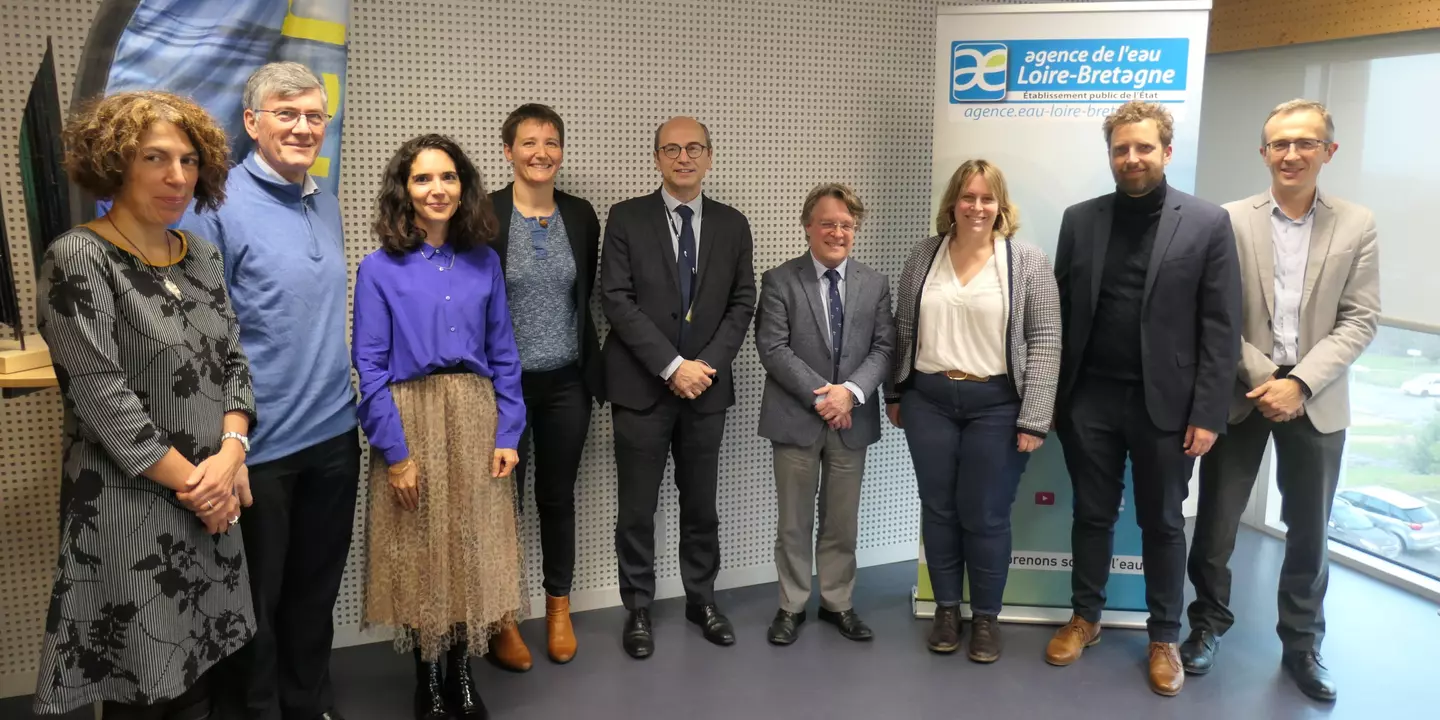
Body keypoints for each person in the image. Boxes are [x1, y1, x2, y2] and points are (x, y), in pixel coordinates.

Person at [32, 90, 256, 718]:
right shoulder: (78, 258)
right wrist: (205, 488)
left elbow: (235, 364)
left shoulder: (202, 257)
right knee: (143, 685)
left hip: (211, 496)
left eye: (188, 160)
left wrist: (232, 454)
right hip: (132, 510)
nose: (177, 176)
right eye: (155, 157)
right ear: (116, 163)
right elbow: (105, 400)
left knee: (202, 679)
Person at [178, 62, 359, 720]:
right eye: (286, 113)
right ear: (252, 123)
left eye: (315, 115)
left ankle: (309, 707)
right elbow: (201, 341)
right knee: (252, 612)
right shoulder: (214, 207)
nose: (303, 126)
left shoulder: (326, 201)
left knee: (314, 600)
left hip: (335, 439)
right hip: (258, 451)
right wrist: (229, 446)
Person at [1183, 99, 1380, 702]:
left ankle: (1302, 645)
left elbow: (1361, 318)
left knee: (1309, 531)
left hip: (1317, 399)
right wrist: (1268, 375)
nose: (1292, 154)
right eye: (1279, 144)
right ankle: (1207, 627)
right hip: (1242, 390)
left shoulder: (1358, 223)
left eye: (1305, 143)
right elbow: (1212, 313)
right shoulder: (1228, 220)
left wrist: (1299, 383)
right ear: (1264, 152)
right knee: (1216, 523)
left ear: (1328, 150)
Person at [1045, 100, 1241, 697]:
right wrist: (1055, 401)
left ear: (1167, 152)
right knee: (1092, 514)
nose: (1131, 158)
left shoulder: (1206, 222)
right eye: (1121, 149)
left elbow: (1220, 326)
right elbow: (1060, 314)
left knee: (1161, 523)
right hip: (1090, 402)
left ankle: (1163, 635)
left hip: (1170, 409)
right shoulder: (1080, 219)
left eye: (1143, 148)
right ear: (1110, 155)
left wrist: (1208, 412)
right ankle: (1087, 618)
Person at [353, 134, 524, 720]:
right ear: (404, 190)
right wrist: (396, 453)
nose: (437, 189)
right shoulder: (378, 268)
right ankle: (426, 677)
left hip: (476, 416)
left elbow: (504, 354)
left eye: (448, 177)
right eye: (423, 178)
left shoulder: (484, 261)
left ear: (464, 187)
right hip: (411, 418)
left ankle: (462, 671)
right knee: (420, 548)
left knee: (470, 547)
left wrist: (508, 433)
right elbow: (370, 367)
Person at [887, 160, 1061, 662]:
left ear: (1001, 206)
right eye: (968, 197)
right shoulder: (925, 254)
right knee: (939, 510)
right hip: (929, 400)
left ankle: (985, 617)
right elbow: (903, 329)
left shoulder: (1026, 260)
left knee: (985, 514)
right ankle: (946, 609)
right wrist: (896, 394)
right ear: (953, 203)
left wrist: (1035, 416)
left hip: (998, 406)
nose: (977, 207)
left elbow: (1047, 340)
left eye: (987, 198)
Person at [601, 116, 756, 659]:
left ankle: (701, 598)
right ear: (657, 158)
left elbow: (743, 303)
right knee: (636, 509)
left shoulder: (734, 225)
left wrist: (704, 365)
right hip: (641, 387)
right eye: (672, 148)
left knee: (702, 505)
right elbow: (615, 299)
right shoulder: (625, 218)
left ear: (709, 157)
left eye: (694, 148)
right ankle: (638, 606)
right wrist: (672, 366)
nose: (683, 157)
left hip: (706, 391)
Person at [487, 103, 603, 668]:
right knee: (501, 506)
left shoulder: (580, 216)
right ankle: (504, 617)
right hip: (501, 391)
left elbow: (585, 301)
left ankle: (559, 608)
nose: (541, 152)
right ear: (507, 150)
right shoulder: (483, 216)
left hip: (566, 386)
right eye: (528, 142)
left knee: (557, 499)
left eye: (551, 142)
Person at [756, 183, 895, 646]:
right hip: (797, 419)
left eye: (847, 225)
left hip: (850, 420)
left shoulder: (875, 284)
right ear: (808, 226)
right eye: (829, 223)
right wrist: (824, 398)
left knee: (841, 521)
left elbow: (883, 348)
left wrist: (849, 394)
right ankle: (791, 605)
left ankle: (837, 602)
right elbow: (772, 349)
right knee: (793, 521)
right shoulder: (779, 280)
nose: (838, 232)